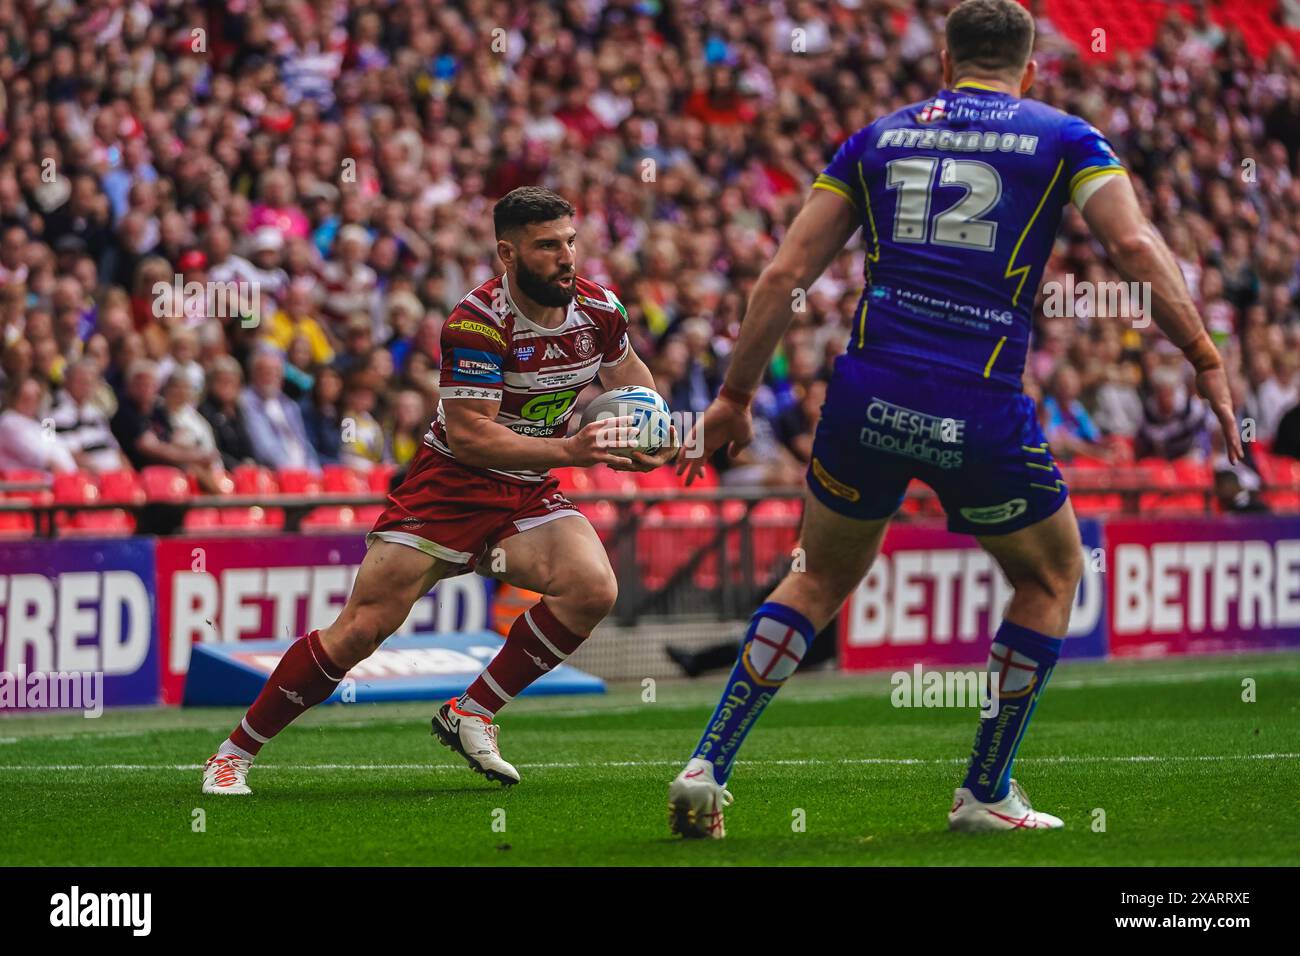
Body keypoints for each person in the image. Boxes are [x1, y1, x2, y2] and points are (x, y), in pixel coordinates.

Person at [665, 0, 1242, 838]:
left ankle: (707, 764)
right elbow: (1135, 247)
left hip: (866, 394)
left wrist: (734, 398)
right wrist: (1205, 355)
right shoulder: (1065, 135)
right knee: (1050, 577)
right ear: (1030, 67)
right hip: (978, 400)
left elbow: (784, 270)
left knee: (818, 578)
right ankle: (983, 791)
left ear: (943, 62)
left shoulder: (877, 137)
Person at [200, 186, 677, 795]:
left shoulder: (601, 310)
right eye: (547, 245)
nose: (566, 257)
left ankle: (471, 712)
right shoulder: (476, 323)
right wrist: (570, 451)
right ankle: (233, 754)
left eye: (571, 242)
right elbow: (471, 435)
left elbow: (632, 379)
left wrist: (652, 430)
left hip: (525, 491)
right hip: (448, 490)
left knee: (591, 588)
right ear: (508, 253)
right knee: (361, 631)